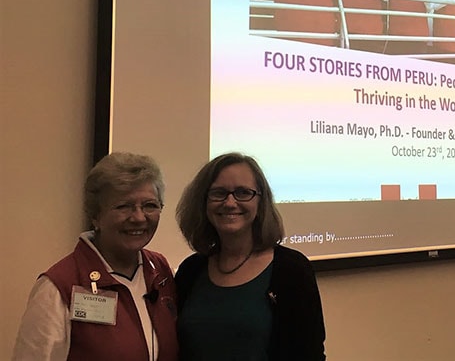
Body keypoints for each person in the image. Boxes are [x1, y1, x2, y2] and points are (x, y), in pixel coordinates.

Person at [12, 152, 178, 361]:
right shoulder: (58, 287)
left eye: (150, 205)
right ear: (95, 216)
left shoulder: (161, 271)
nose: (138, 217)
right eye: (123, 206)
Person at [175, 152, 326, 361]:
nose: (229, 202)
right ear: (203, 202)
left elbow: (310, 355)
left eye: (243, 192)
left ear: (260, 202)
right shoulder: (190, 271)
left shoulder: (291, 270)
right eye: (218, 193)